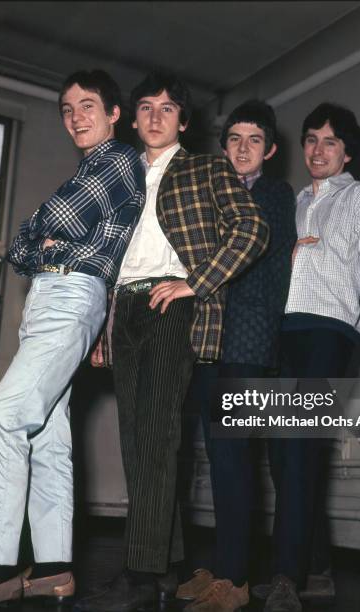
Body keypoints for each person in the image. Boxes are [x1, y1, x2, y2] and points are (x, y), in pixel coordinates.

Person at [0, 70, 145, 609]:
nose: (76, 117)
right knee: (48, 439)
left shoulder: (116, 161)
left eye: (88, 106)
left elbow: (59, 219)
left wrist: (40, 237)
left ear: (114, 113)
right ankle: (54, 569)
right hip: (52, 298)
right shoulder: (90, 167)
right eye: (67, 110)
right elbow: (20, 249)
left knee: (2, 417)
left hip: (71, 295)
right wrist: (36, 240)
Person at [78, 71, 269, 612]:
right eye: (146, 106)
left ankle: (139, 575)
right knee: (136, 442)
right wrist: (102, 324)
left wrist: (196, 281)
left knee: (157, 438)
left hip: (173, 307)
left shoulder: (207, 167)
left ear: (183, 121)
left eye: (168, 108)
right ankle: (168, 568)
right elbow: (110, 257)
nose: (156, 116)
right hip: (126, 308)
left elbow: (252, 230)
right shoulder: (119, 176)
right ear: (132, 117)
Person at [263, 103, 360, 612]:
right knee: (284, 454)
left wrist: (334, 281)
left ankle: (286, 576)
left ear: (347, 152)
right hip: (280, 330)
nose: (318, 150)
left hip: (326, 332)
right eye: (311, 140)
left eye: (329, 142)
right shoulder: (293, 201)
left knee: (298, 446)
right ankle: (316, 570)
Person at [177, 100, 296, 612]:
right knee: (212, 456)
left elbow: (262, 264)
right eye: (233, 139)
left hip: (246, 342)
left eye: (253, 140)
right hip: (206, 339)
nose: (242, 149)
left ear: (269, 150)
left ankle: (236, 579)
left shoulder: (274, 192)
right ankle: (224, 568)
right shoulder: (213, 192)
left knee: (234, 457)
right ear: (222, 147)